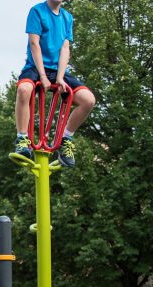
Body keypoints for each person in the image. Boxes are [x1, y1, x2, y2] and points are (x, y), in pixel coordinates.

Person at [13, 0, 96, 168]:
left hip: (58, 71)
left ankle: (65, 139)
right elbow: (34, 43)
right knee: (24, 89)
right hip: (36, 67)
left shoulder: (67, 17)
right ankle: (22, 138)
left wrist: (59, 77)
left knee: (88, 100)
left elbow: (65, 49)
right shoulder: (37, 11)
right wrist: (42, 76)